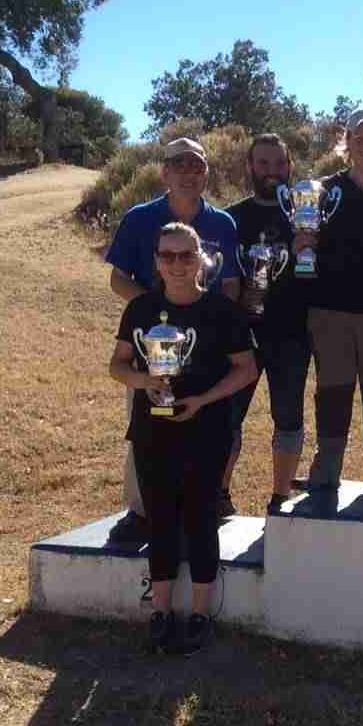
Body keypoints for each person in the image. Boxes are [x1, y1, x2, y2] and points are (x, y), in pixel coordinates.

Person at [108, 222, 257, 654]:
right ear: (156, 261)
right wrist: (144, 381)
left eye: (185, 255)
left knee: (200, 517)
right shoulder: (139, 310)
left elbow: (245, 369)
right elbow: (116, 365)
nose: (176, 264)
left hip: (205, 429)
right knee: (160, 518)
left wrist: (204, 400)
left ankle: (199, 614)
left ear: (201, 260)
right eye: (167, 256)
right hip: (151, 429)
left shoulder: (221, 312)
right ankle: (160, 613)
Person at [105, 137, 239, 542]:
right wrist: (153, 315)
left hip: (208, 346)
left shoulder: (223, 224)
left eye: (195, 165)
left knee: (213, 424)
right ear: (164, 172)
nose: (187, 172)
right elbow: (117, 278)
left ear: (205, 174)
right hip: (154, 346)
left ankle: (205, 502)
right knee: (147, 424)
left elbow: (230, 284)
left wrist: (217, 326)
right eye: (178, 164)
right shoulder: (139, 218)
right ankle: (142, 511)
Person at [297, 107, 363, 495]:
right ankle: (326, 468)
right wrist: (301, 244)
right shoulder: (324, 190)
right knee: (333, 392)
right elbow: (301, 239)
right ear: (347, 143)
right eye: (359, 138)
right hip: (330, 311)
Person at [223, 133, 312, 513]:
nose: (272, 171)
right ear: (249, 166)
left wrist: (309, 246)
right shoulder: (231, 218)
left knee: (288, 416)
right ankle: (218, 495)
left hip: (291, 332)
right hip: (241, 334)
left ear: (290, 167)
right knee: (227, 416)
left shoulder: (306, 212)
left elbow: (318, 273)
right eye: (263, 163)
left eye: (279, 164)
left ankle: (280, 498)